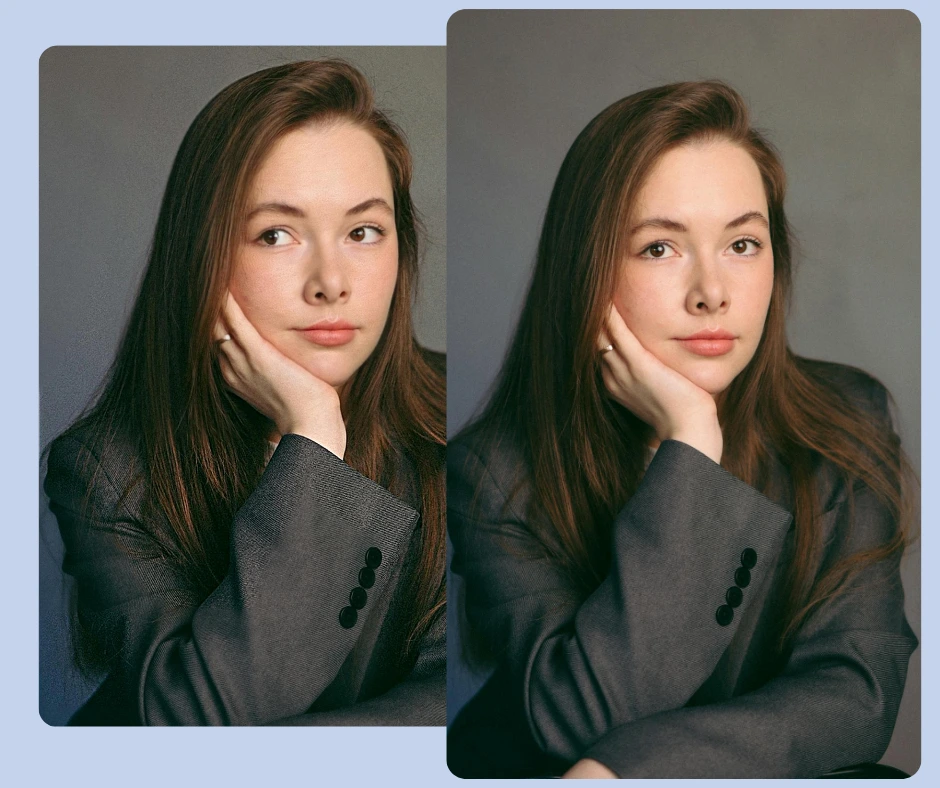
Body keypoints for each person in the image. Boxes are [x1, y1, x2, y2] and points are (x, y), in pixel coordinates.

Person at [446, 80, 917, 777]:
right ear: (589, 268)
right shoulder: (492, 471)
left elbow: (855, 695)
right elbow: (579, 719)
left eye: (743, 244)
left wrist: (637, 768)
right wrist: (691, 447)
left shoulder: (844, 418)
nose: (713, 292)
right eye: (660, 249)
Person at [43, 59, 446, 726]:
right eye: (276, 234)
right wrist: (313, 437)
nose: (331, 282)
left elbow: (454, 713)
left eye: (362, 231)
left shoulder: (463, 421)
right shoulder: (104, 471)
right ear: (205, 255)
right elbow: (204, 720)